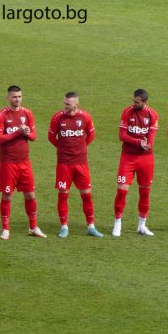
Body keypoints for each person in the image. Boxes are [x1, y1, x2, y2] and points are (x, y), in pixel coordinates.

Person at [48, 91, 103, 238]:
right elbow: (51, 137)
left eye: (68, 104)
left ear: (76, 104)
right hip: (64, 163)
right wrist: (63, 148)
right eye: (64, 103)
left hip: (81, 163)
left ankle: (91, 226)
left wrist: (82, 148)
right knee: (63, 194)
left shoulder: (85, 117)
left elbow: (91, 135)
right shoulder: (57, 117)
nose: (64, 106)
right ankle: (64, 226)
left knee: (86, 194)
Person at [0, 85, 45, 240]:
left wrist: (28, 133)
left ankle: (33, 227)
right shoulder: (1, 115)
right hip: (8, 163)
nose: (17, 99)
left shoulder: (27, 113)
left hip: (25, 162)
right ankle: (5, 229)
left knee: (30, 195)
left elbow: (34, 136)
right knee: (7, 195)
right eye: (14, 97)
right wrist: (18, 132)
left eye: (20, 96)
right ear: (8, 98)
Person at [112, 89, 159, 237]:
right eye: (133, 101)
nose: (133, 104)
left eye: (137, 102)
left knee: (145, 191)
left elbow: (150, 138)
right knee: (122, 190)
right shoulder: (127, 112)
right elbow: (122, 135)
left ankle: (142, 226)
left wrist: (146, 144)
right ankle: (117, 223)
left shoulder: (152, 115)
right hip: (128, 157)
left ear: (144, 102)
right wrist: (139, 142)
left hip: (146, 159)